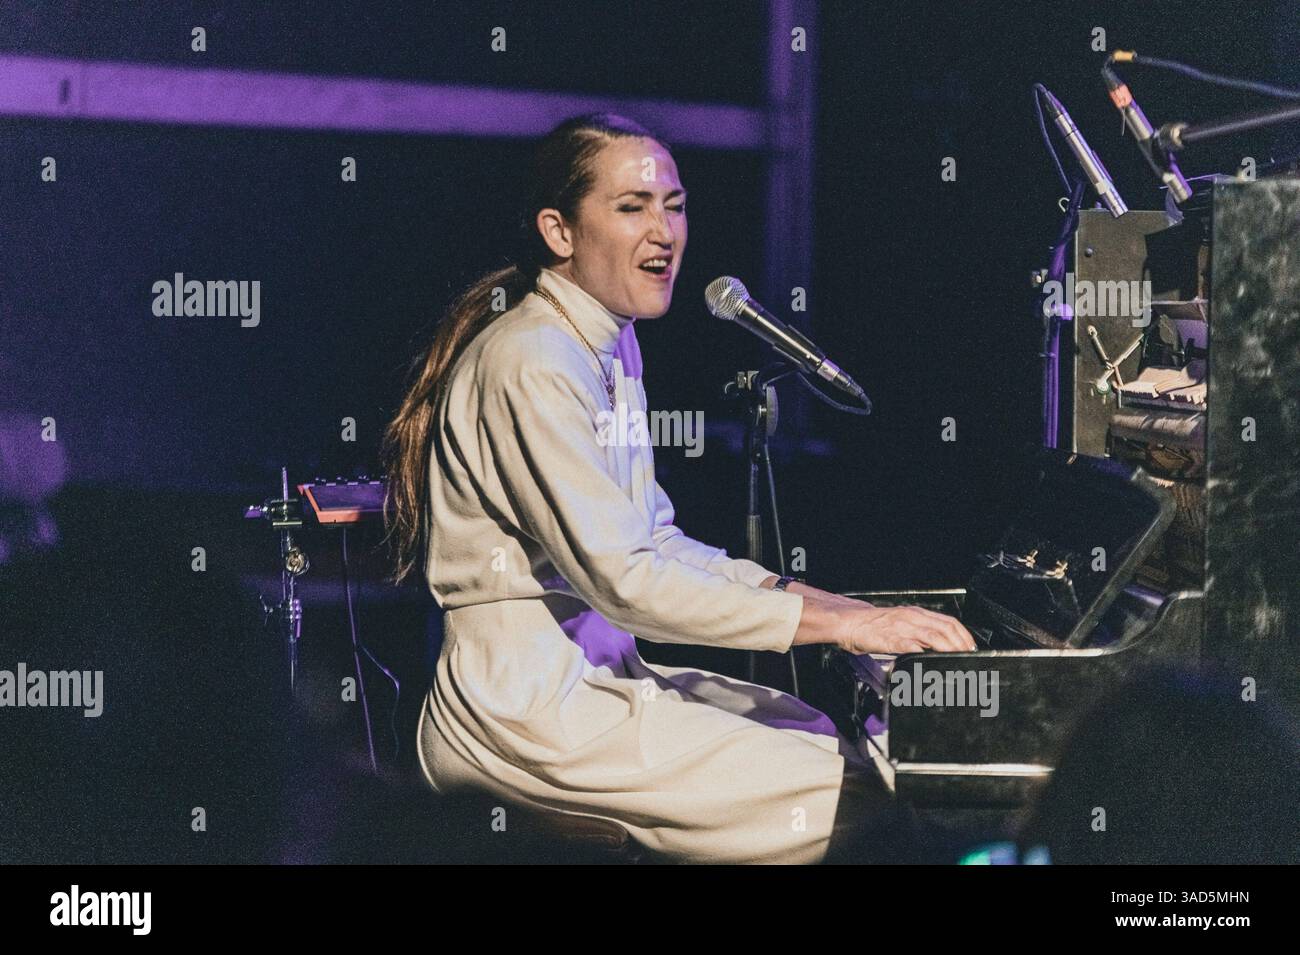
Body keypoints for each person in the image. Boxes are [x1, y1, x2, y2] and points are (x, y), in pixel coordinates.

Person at [383, 113, 975, 863]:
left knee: (821, 736)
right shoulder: (533, 359)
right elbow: (626, 581)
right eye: (632, 207)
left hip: (594, 676)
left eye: (675, 204)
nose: (664, 231)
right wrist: (837, 627)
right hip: (525, 714)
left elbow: (655, 540)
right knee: (856, 805)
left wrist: (847, 609)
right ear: (559, 232)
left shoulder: (608, 341)